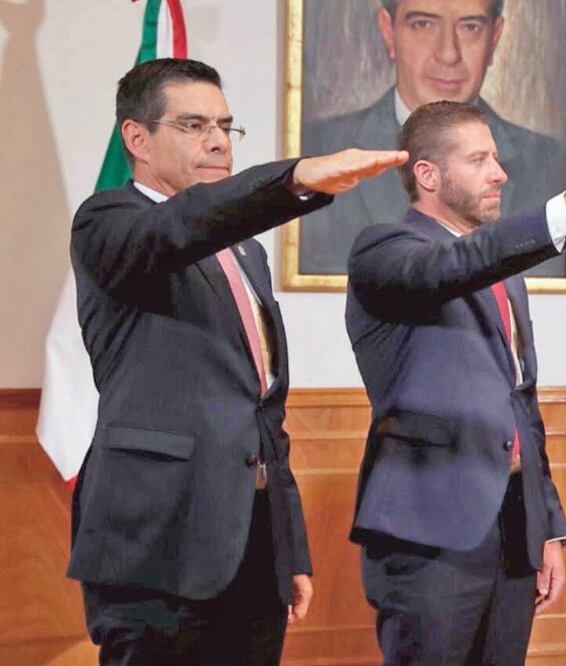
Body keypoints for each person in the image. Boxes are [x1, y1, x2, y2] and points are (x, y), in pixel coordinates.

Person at [66, 57, 406, 665]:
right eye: (194, 125)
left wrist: (288, 547)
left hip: (250, 544)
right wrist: (297, 176)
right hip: (156, 543)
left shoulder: (245, 252)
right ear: (136, 139)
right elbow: (178, 229)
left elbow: (262, 412)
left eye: (225, 125)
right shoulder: (108, 223)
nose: (219, 140)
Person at [345, 100, 566, 665]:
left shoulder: (507, 282)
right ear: (428, 175)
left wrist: (547, 526)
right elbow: (449, 268)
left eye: (497, 158)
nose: (500, 173)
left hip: (510, 529)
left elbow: (520, 405)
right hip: (428, 535)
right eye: (479, 159)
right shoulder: (384, 252)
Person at [300, 0, 566, 275]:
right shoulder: (318, 153)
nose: (448, 53)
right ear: (388, 32)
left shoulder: (552, 160)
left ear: (495, 37)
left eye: (470, 27)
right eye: (423, 24)